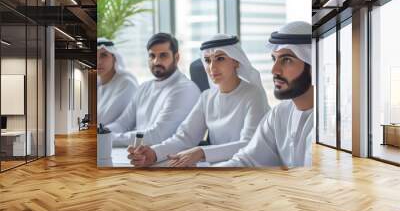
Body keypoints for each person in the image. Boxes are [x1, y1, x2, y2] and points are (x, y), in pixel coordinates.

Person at [129, 34, 270, 167]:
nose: (212, 67)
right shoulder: (207, 97)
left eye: (220, 59)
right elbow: (184, 138)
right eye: (208, 60)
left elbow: (249, 144)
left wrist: (201, 152)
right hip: (218, 170)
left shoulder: (254, 94)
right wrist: (153, 153)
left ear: (236, 62)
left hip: (249, 170)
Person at [214, 21, 314, 168]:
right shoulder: (279, 113)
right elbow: (247, 160)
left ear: (313, 66)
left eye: (286, 60)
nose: (274, 70)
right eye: (274, 59)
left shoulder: (327, 124)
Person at [106, 33, 201, 147]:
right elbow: (122, 124)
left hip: (166, 160)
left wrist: (107, 138)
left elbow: (157, 136)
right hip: (139, 154)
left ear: (176, 58)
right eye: (152, 56)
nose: (156, 62)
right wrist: (102, 132)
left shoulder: (185, 89)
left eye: (163, 55)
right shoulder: (144, 87)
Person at [97, 38, 139, 126]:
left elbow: (104, 120)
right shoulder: (97, 82)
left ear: (115, 58)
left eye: (104, 55)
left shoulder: (126, 83)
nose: (98, 61)